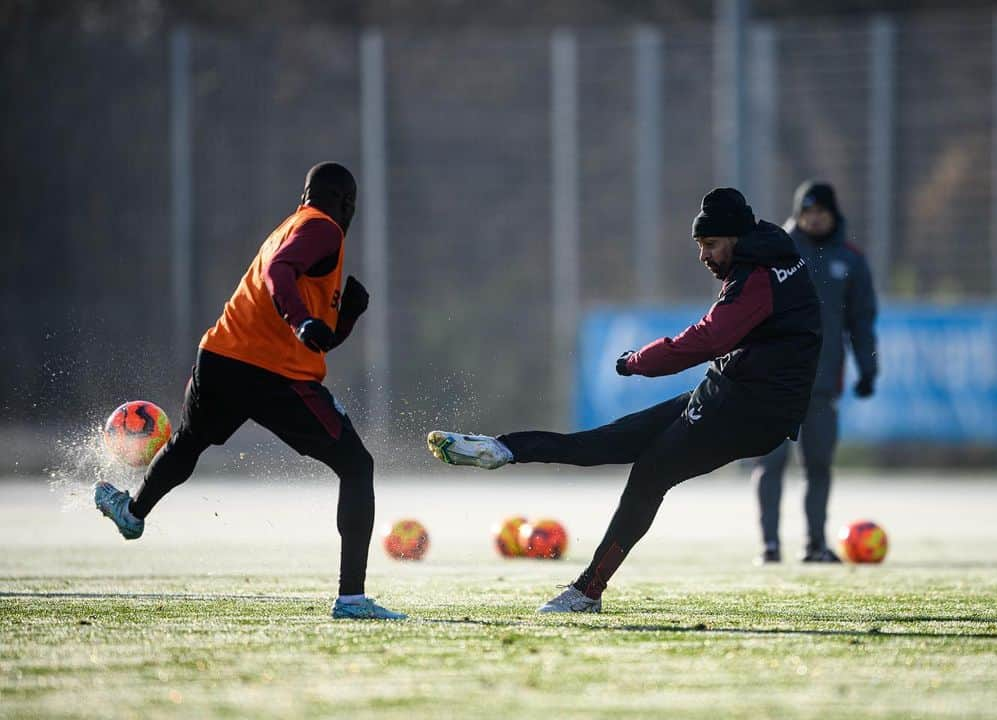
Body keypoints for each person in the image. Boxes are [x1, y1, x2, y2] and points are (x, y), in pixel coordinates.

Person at [426, 188, 822, 613]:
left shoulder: (757, 275)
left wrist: (637, 361)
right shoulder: (772, 253)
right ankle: (503, 448)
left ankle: (587, 590)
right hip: (736, 395)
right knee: (609, 442)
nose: (703, 256)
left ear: (737, 238)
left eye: (710, 245)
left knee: (648, 472)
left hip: (748, 410)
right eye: (700, 246)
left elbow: (709, 338)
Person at [93, 162, 405, 620]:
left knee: (187, 443)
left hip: (219, 356)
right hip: (270, 372)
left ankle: (133, 511)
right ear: (346, 204)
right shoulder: (323, 229)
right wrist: (301, 321)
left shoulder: (292, 226)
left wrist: (347, 316)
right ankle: (352, 599)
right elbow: (282, 277)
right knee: (357, 465)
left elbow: (320, 337)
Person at [752, 180, 878, 565]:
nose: (814, 218)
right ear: (798, 214)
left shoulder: (851, 260)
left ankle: (816, 545)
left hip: (823, 382)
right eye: (807, 212)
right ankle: (770, 545)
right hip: (774, 381)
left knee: (818, 465)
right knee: (770, 463)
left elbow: (861, 320)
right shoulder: (776, 252)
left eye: (821, 211)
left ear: (833, 213)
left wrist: (868, 367)